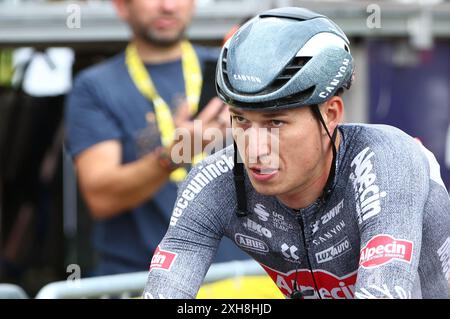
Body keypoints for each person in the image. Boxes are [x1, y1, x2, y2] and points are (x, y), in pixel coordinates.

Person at [142, 7, 450, 299]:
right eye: (241, 120)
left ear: (331, 114)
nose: (255, 149)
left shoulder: (388, 160)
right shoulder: (216, 182)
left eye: (276, 122)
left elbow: (385, 290)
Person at [65, 0, 249, 276]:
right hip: (140, 280)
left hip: (240, 277)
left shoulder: (235, 67)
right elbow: (101, 198)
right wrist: (176, 154)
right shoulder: (94, 87)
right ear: (121, 6)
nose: (168, 6)